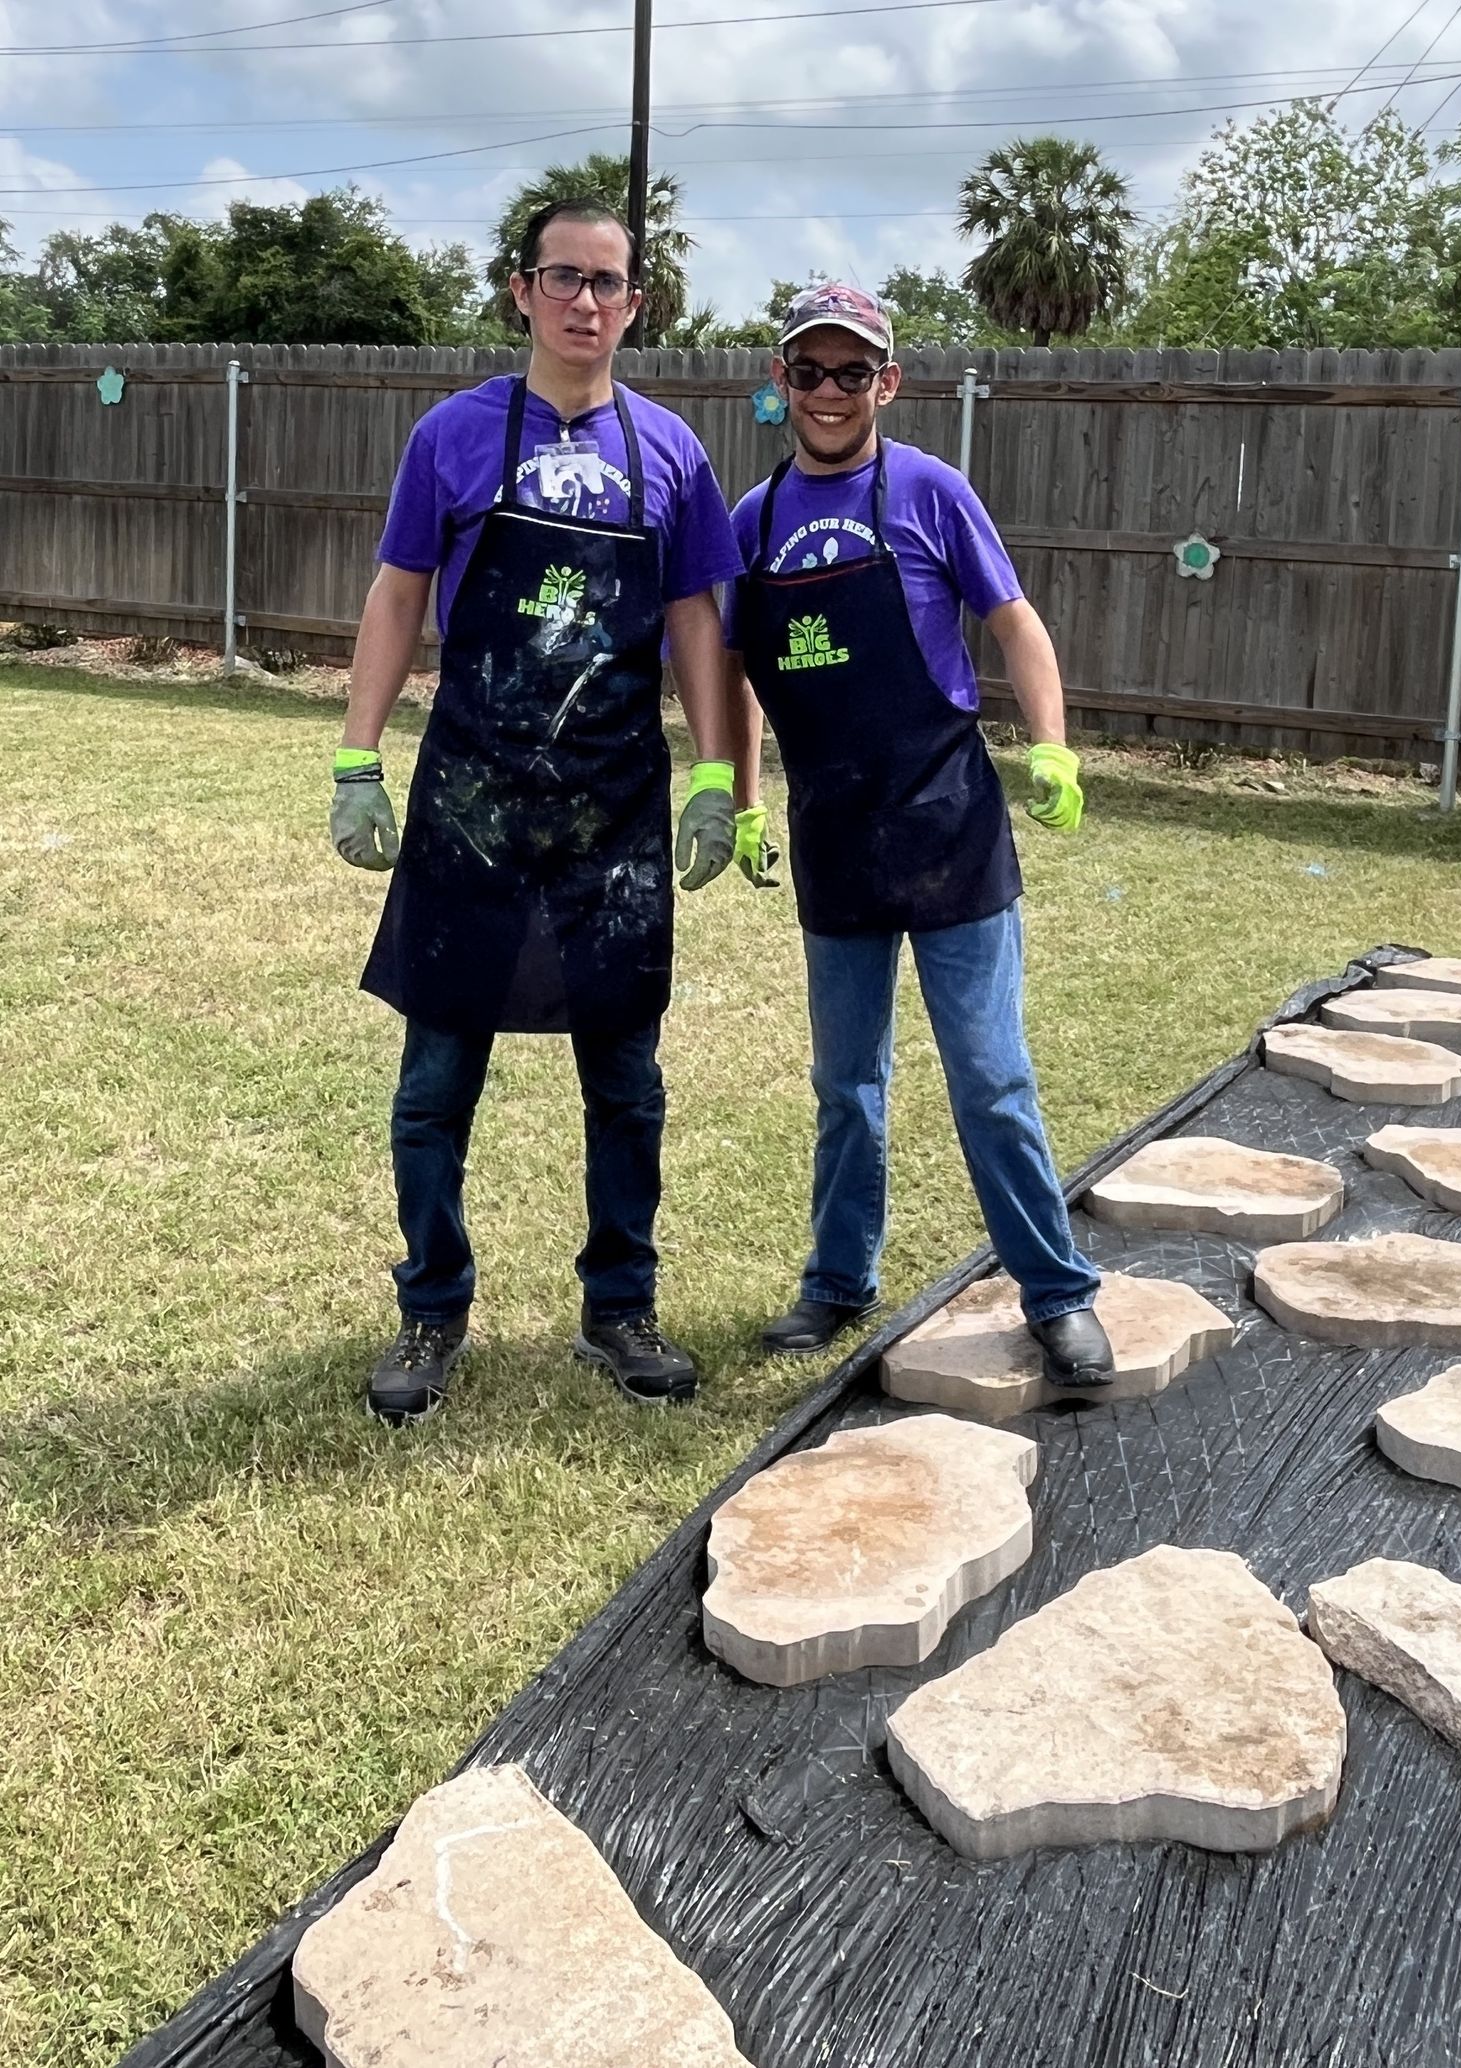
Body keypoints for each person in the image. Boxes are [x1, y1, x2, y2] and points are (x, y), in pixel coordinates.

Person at [329, 198, 746, 1426]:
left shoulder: (672, 453)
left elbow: (695, 626)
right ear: (521, 291)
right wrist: (358, 759)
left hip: (613, 807)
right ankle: (432, 1306)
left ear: (634, 304)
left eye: (607, 283)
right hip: (471, 798)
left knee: (626, 1078)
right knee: (433, 1081)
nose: (584, 301)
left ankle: (620, 1305)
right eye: (563, 277)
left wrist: (720, 775)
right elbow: (399, 597)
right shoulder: (450, 437)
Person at [726, 283, 1114, 1389]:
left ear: (887, 384)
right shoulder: (754, 525)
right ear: (782, 382)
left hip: (950, 827)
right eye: (812, 371)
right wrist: (742, 793)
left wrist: (1053, 745)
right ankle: (839, 1279)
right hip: (835, 834)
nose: (833, 391)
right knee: (848, 1083)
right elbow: (738, 671)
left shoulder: (934, 494)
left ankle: (1057, 1293)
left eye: (856, 372)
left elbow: (1016, 621)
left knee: (991, 1077)